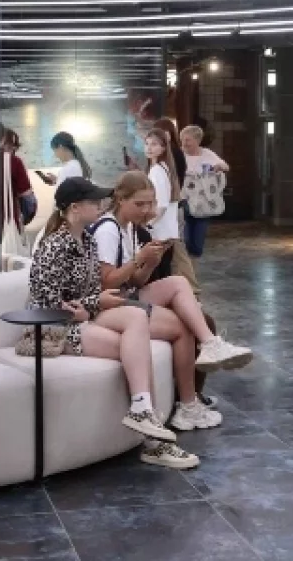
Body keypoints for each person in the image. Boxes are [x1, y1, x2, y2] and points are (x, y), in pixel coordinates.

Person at [19, 176, 199, 470]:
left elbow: (90, 294)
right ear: (75, 208)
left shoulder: (88, 241)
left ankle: (142, 410)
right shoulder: (54, 245)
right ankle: (154, 441)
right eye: (94, 202)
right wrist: (92, 303)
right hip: (53, 330)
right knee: (137, 353)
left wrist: (93, 302)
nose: (101, 205)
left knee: (136, 319)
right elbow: (47, 302)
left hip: (82, 317)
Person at [92, 171, 252, 430]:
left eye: (150, 204)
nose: (147, 211)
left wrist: (150, 263)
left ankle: (211, 344)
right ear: (121, 200)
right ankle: (187, 405)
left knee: (178, 282)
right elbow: (107, 283)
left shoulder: (130, 228)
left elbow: (136, 282)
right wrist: (140, 259)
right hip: (106, 304)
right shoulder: (108, 230)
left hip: (125, 295)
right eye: (140, 204)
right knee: (182, 326)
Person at [154, 117, 200, 292]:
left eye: (154, 142)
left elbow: (169, 187)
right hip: (172, 207)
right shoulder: (172, 154)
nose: (150, 147)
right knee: (174, 250)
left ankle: (192, 287)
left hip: (170, 208)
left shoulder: (171, 154)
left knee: (177, 250)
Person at [180, 124, 231, 258]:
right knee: (186, 235)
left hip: (203, 202)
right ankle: (188, 259)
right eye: (182, 139)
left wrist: (219, 166)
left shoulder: (207, 154)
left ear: (198, 140)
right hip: (184, 198)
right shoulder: (179, 154)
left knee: (198, 240)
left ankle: (194, 257)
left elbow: (225, 167)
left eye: (187, 140)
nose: (184, 143)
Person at [1, 127, 37, 229]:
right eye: (11, 146)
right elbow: (28, 199)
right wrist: (25, 218)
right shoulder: (14, 162)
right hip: (8, 221)